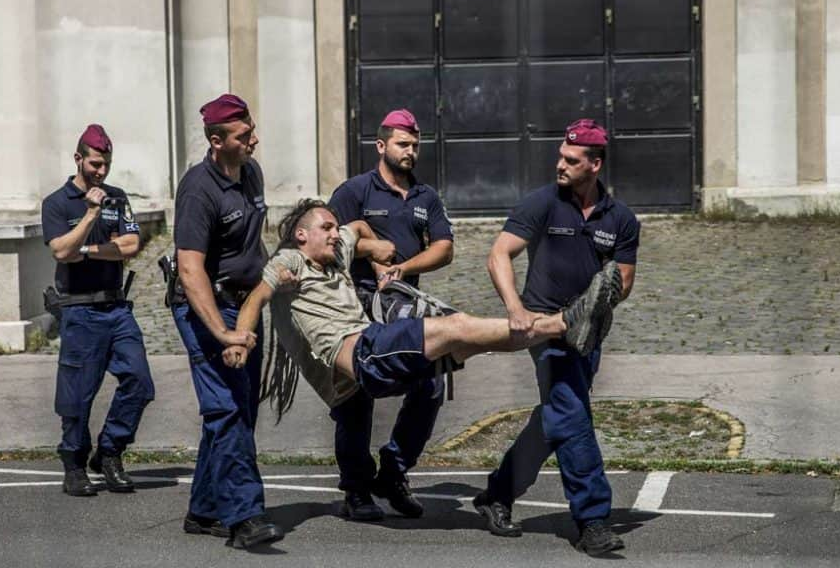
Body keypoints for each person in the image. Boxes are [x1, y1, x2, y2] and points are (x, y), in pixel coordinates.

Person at [220, 202, 620, 502]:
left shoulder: (336, 253)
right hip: (361, 353)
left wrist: (375, 248)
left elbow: (356, 228)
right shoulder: (290, 261)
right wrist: (239, 337)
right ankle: (565, 323)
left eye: (333, 227)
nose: (334, 233)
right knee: (458, 327)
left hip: (375, 354)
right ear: (302, 236)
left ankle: (559, 332)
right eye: (325, 228)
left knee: (468, 342)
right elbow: (257, 297)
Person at [472, 119, 639, 557]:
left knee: (554, 419)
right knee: (571, 412)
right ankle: (593, 519)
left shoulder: (620, 219)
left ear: (595, 164)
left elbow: (624, 278)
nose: (559, 164)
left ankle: (496, 495)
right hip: (543, 329)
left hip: (588, 333)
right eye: (560, 156)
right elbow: (499, 254)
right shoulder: (542, 203)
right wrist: (515, 310)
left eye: (571, 159)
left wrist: (595, 307)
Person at [326, 109, 454, 521]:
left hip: (405, 305)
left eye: (415, 145)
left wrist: (403, 269)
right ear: (381, 146)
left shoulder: (425, 197)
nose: (410, 151)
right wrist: (372, 254)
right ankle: (357, 490)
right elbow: (330, 245)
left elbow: (444, 247)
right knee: (355, 399)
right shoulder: (354, 191)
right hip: (357, 306)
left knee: (430, 386)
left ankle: (394, 471)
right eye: (402, 144)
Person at [170, 93, 283, 549]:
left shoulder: (250, 171)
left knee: (240, 409)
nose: (254, 139)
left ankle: (205, 509)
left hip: (244, 306)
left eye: (251, 128)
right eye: (242, 135)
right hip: (207, 310)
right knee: (228, 410)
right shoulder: (199, 188)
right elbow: (189, 267)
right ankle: (245, 517)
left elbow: (253, 240)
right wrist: (221, 330)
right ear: (217, 142)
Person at [41, 124, 155, 497]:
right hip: (78, 310)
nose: (101, 172)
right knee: (77, 396)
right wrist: (90, 217)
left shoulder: (117, 197)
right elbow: (59, 251)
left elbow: (132, 244)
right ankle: (74, 463)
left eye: (105, 165)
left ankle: (109, 452)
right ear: (78, 159)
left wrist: (88, 250)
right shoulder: (57, 203)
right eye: (94, 164)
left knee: (139, 382)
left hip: (116, 307)